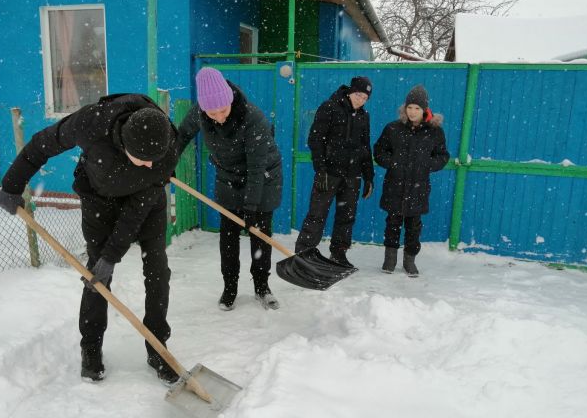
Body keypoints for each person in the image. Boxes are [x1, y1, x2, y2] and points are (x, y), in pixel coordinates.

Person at [0, 93, 180, 385]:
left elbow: (135, 212)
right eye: (142, 159)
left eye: (153, 161)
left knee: (157, 269)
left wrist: (113, 254)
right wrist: (12, 184)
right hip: (99, 200)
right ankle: (91, 348)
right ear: (125, 146)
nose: (149, 166)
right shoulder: (92, 123)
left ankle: (158, 347)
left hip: (145, 204)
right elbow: (41, 145)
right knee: (96, 274)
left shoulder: (167, 148)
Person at [178, 67, 283, 311]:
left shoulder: (252, 118)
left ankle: (262, 287)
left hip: (263, 179)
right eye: (211, 113)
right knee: (228, 238)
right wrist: (166, 164)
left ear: (230, 101)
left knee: (259, 236)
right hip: (228, 179)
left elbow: (257, 168)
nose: (219, 117)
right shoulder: (201, 113)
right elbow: (181, 136)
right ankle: (230, 288)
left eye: (223, 110)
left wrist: (251, 206)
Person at [294, 76, 375, 269]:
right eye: (358, 95)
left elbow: (365, 147)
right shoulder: (329, 107)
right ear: (350, 91)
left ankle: (338, 253)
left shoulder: (364, 116)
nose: (360, 100)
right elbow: (316, 140)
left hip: (352, 175)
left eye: (365, 98)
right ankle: (303, 254)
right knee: (317, 214)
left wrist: (368, 177)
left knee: (346, 216)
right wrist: (320, 170)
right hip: (329, 173)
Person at [373, 84, 449, 277]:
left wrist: (427, 164)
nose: (413, 112)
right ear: (404, 109)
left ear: (425, 110)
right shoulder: (393, 128)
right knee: (392, 223)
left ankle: (409, 261)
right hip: (395, 186)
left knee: (414, 226)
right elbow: (379, 151)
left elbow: (442, 156)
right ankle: (389, 260)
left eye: (417, 108)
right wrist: (393, 162)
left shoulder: (435, 132)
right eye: (410, 107)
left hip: (418, 187)